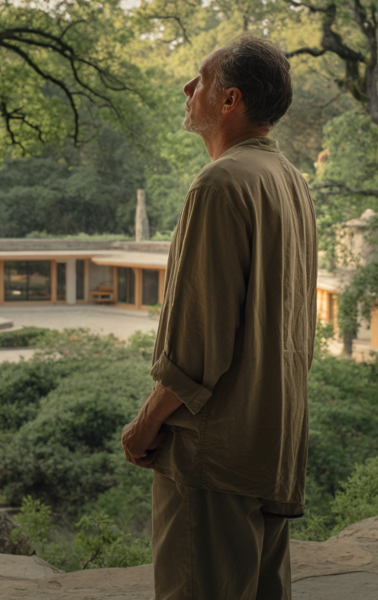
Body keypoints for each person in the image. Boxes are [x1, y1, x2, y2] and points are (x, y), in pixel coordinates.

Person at [121, 35, 317, 600]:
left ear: (229, 100)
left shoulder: (220, 183)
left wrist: (145, 426)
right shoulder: (289, 182)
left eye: (199, 81)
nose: (188, 88)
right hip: (271, 443)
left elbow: (198, 349)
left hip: (214, 455)